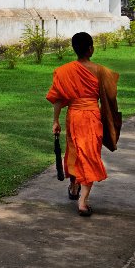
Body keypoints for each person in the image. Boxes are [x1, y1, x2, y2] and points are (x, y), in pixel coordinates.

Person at [46, 32, 120, 216]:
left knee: (74, 152)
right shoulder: (101, 71)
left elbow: (57, 99)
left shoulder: (64, 71)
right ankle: (83, 201)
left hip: (74, 116)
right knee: (90, 155)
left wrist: (55, 121)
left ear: (74, 49)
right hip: (92, 117)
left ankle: (73, 187)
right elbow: (111, 97)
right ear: (91, 49)